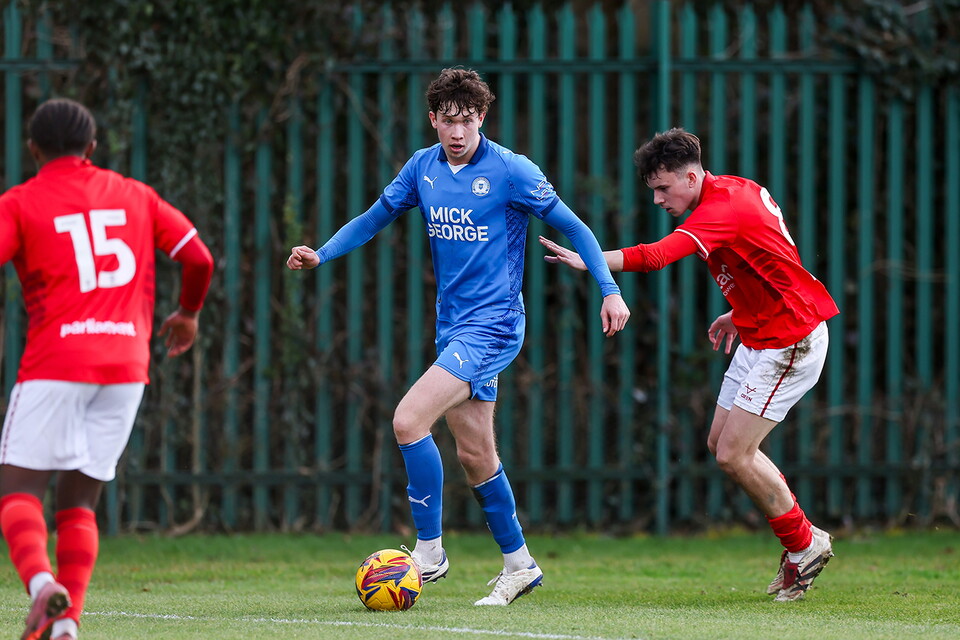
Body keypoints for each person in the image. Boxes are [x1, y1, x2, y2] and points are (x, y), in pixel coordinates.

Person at [287, 68, 630, 605]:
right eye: (448, 121)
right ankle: (520, 564)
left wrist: (609, 289)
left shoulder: (511, 170)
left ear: (481, 119)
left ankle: (430, 551)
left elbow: (576, 227)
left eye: (467, 121)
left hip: (494, 326)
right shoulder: (422, 168)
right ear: (433, 120)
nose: (457, 132)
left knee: (407, 419)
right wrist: (322, 252)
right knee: (474, 454)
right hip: (453, 327)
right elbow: (374, 218)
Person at [539, 127, 838, 602]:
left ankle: (805, 544)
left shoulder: (720, 209)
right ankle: (802, 540)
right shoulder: (734, 189)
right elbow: (772, 255)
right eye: (652, 190)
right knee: (720, 442)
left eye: (663, 188)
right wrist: (743, 309)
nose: (657, 199)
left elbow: (657, 256)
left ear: (692, 176)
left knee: (734, 454)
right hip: (762, 329)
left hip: (792, 339)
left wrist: (589, 261)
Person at [0, 98, 214, 640]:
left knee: (17, 491)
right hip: (125, 367)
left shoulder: (21, 202)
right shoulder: (135, 196)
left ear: (33, 150)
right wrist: (187, 314)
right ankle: (66, 626)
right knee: (79, 503)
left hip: (55, 361)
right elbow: (198, 259)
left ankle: (42, 585)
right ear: (92, 148)